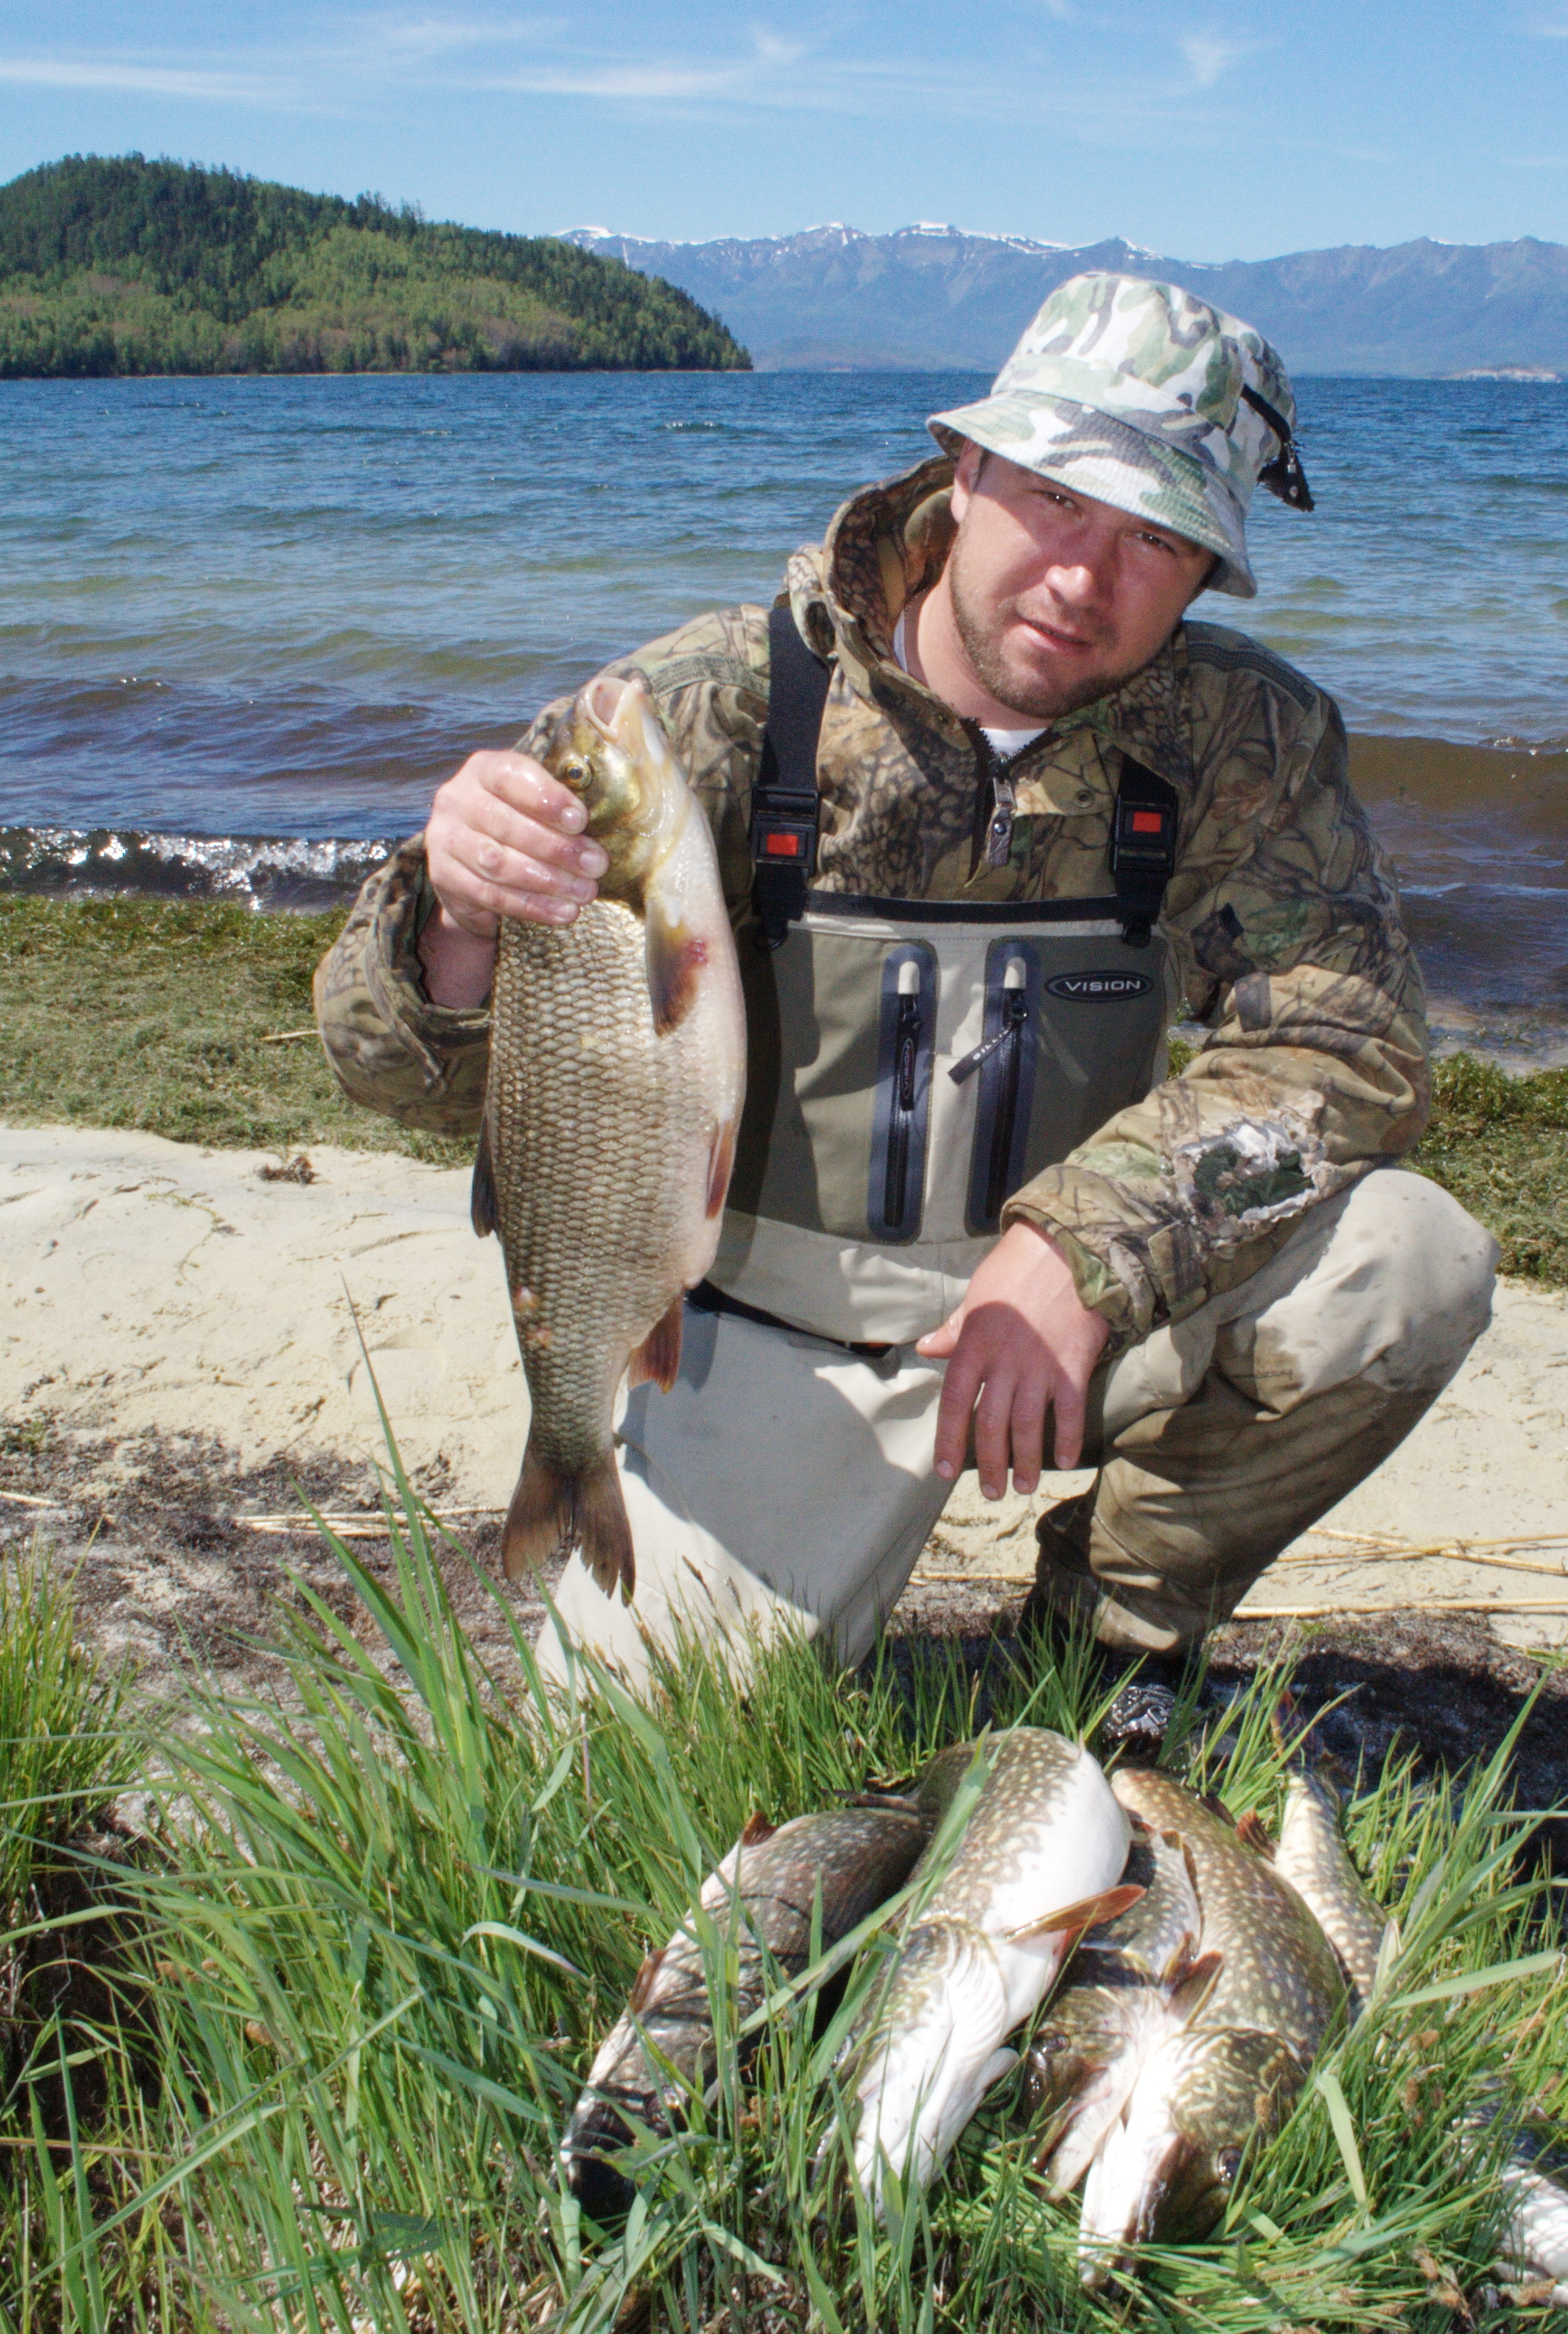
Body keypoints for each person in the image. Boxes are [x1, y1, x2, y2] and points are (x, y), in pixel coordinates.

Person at [316, 273, 1497, 1702]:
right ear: (969, 466)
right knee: (639, 1762)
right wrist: (453, 919)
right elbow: (399, 1074)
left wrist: (1079, 1250)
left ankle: (1113, 1633)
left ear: (1205, 570)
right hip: (770, 1339)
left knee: (1403, 1266)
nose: (1086, 579)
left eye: (1156, 539)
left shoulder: (1239, 737)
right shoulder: (701, 711)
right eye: (1061, 499)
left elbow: (1353, 1050)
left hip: (1081, 1319)